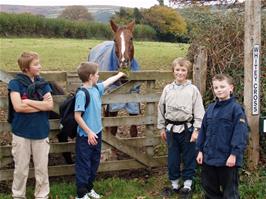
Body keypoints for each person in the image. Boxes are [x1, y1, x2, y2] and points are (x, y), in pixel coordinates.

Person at [74, 62, 126, 199]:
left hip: (97, 133)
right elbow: (77, 116)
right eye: (97, 74)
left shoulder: (96, 89)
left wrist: (120, 74)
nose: (99, 76)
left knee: (94, 163)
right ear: (91, 76)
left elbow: (108, 82)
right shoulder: (82, 93)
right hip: (85, 136)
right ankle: (81, 193)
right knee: (84, 164)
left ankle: (89, 188)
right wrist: (89, 132)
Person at [8, 51, 53, 199]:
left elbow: (49, 106)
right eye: (36, 64)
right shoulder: (15, 84)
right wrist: (40, 105)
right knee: (21, 169)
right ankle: (18, 195)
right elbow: (18, 107)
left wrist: (28, 102)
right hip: (21, 132)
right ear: (26, 68)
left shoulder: (43, 84)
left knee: (42, 169)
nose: (39, 66)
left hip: (41, 132)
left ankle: (42, 196)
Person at [196, 74, 249, 199]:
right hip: (209, 158)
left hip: (228, 160)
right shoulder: (210, 109)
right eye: (216, 87)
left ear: (231, 88)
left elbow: (240, 134)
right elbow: (203, 131)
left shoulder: (236, 109)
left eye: (222, 86)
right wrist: (199, 150)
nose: (219, 90)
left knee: (230, 193)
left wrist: (234, 154)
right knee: (210, 191)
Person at [157, 57, 205, 196]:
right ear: (173, 71)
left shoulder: (192, 90)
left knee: (189, 156)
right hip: (171, 129)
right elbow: (161, 108)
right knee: (173, 157)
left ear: (187, 72)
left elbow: (199, 110)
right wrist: (161, 127)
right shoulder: (167, 89)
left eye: (183, 70)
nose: (180, 73)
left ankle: (188, 184)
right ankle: (174, 183)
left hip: (187, 129)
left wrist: (196, 130)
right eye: (177, 70)